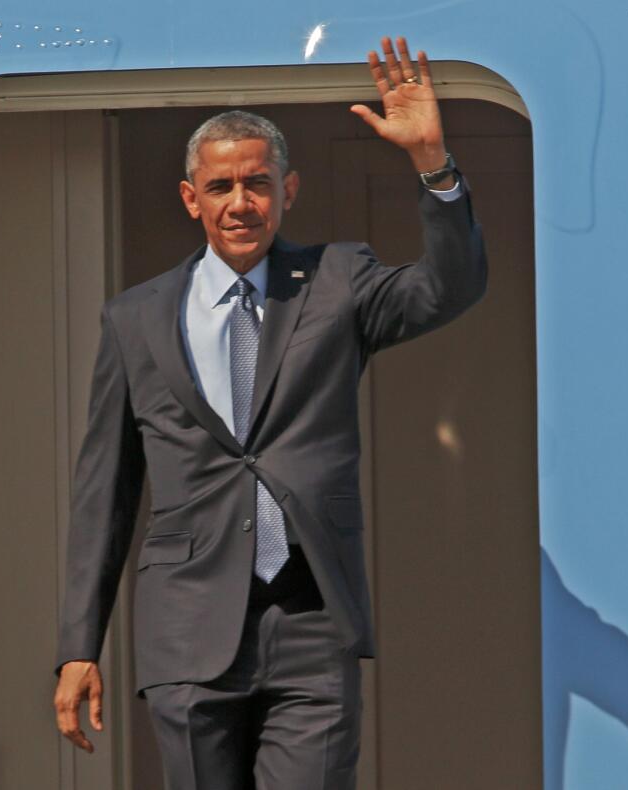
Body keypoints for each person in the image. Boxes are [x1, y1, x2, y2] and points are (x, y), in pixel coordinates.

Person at [53, 36, 486, 789]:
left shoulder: (337, 278)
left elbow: (450, 288)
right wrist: (78, 645)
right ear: (192, 198)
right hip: (186, 625)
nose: (240, 203)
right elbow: (105, 494)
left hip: (313, 617)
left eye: (258, 184)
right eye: (220, 187)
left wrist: (431, 165)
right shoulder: (135, 318)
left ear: (289, 191)